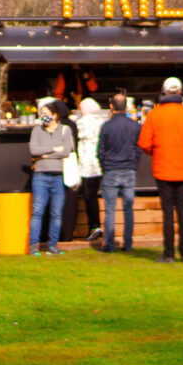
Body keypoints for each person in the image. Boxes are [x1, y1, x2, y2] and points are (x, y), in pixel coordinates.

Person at [138, 76, 183, 263]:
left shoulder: (154, 115)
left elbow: (143, 143)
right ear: (181, 92)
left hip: (162, 169)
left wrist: (155, 151)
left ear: (164, 92)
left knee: (168, 212)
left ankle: (168, 254)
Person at [97, 94, 142, 252]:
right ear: (126, 106)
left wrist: (105, 167)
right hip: (128, 170)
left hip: (111, 170)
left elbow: (100, 151)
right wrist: (133, 165)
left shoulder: (106, 126)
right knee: (128, 209)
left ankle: (109, 244)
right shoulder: (135, 125)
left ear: (111, 106)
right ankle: (127, 244)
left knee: (110, 210)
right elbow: (138, 149)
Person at [28, 101, 73, 255]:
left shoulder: (65, 130)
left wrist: (44, 155)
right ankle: (33, 245)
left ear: (55, 115)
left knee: (56, 213)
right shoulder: (36, 131)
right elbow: (34, 150)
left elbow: (66, 151)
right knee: (38, 211)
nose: (43, 117)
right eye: (42, 114)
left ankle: (52, 245)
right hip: (40, 175)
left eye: (46, 114)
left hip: (58, 176)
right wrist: (54, 149)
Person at [47, 99, 81, 243]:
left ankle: (54, 234)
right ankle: (67, 234)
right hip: (71, 167)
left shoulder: (56, 126)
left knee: (55, 202)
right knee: (70, 203)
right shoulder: (72, 125)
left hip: (57, 166)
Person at [75, 98, 105, 241]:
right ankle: (95, 225)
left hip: (86, 165)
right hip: (99, 165)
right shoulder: (102, 122)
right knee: (94, 194)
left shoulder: (82, 123)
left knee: (89, 196)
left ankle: (94, 226)